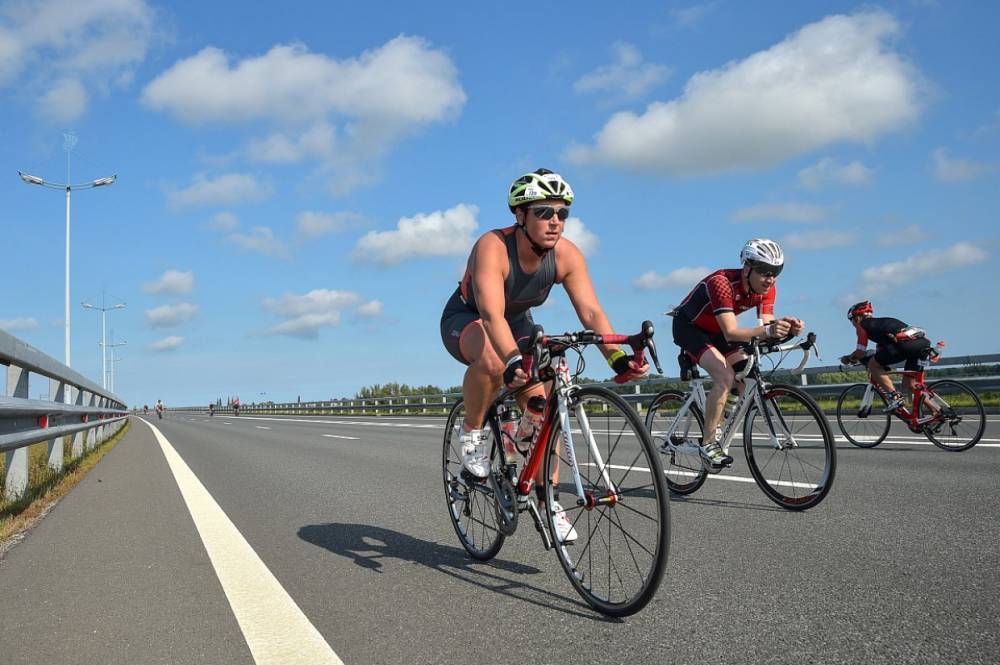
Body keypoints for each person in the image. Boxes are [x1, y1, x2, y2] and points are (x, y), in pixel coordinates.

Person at [440, 168, 648, 543]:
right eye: (544, 213)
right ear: (520, 216)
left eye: (562, 214)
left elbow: (591, 313)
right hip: (468, 319)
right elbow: (490, 315)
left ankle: (549, 498)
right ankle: (472, 433)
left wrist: (616, 359)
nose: (555, 222)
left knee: (544, 401)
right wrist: (512, 360)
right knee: (490, 360)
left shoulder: (566, 255)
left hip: (518, 323)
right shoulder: (492, 246)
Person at [670, 238, 804, 472]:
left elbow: (766, 327)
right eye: (764, 272)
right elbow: (732, 332)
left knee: (745, 377)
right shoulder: (721, 283)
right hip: (690, 328)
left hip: (718, 331)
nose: (770, 279)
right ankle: (708, 442)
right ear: (747, 268)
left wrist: (785, 329)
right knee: (724, 376)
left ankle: (718, 420)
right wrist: (768, 331)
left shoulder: (768, 288)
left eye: (776, 272)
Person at [840, 301, 938, 412]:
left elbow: (860, 352)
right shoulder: (882, 324)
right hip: (922, 344)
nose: (853, 324)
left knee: (873, 365)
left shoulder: (862, 325)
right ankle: (937, 411)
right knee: (910, 384)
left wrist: (848, 358)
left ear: (856, 317)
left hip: (905, 346)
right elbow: (882, 351)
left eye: (852, 320)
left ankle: (895, 397)